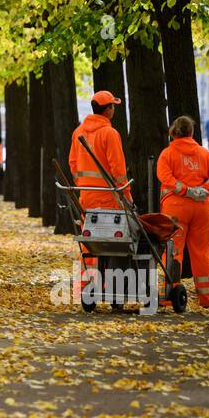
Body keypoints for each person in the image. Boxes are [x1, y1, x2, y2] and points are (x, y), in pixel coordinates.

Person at [69, 91, 131, 298]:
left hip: (87, 196)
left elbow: (73, 165)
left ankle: (86, 287)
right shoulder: (110, 134)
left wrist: (83, 185)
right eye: (113, 106)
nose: (114, 109)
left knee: (90, 241)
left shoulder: (78, 132)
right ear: (109, 110)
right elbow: (118, 171)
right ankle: (114, 289)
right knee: (114, 243)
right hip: (109, 197)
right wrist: (126, 195)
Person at [157, 115, 209, 308]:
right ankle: (208, 299)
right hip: (202, 208)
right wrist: (202, 191)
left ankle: (169, 296)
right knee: (201, 253)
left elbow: (164, 177)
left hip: (176, 208)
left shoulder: (167, 154)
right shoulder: (205, 154)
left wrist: (185, 190)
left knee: (173, 252)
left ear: (173, 133)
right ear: (192, 132)